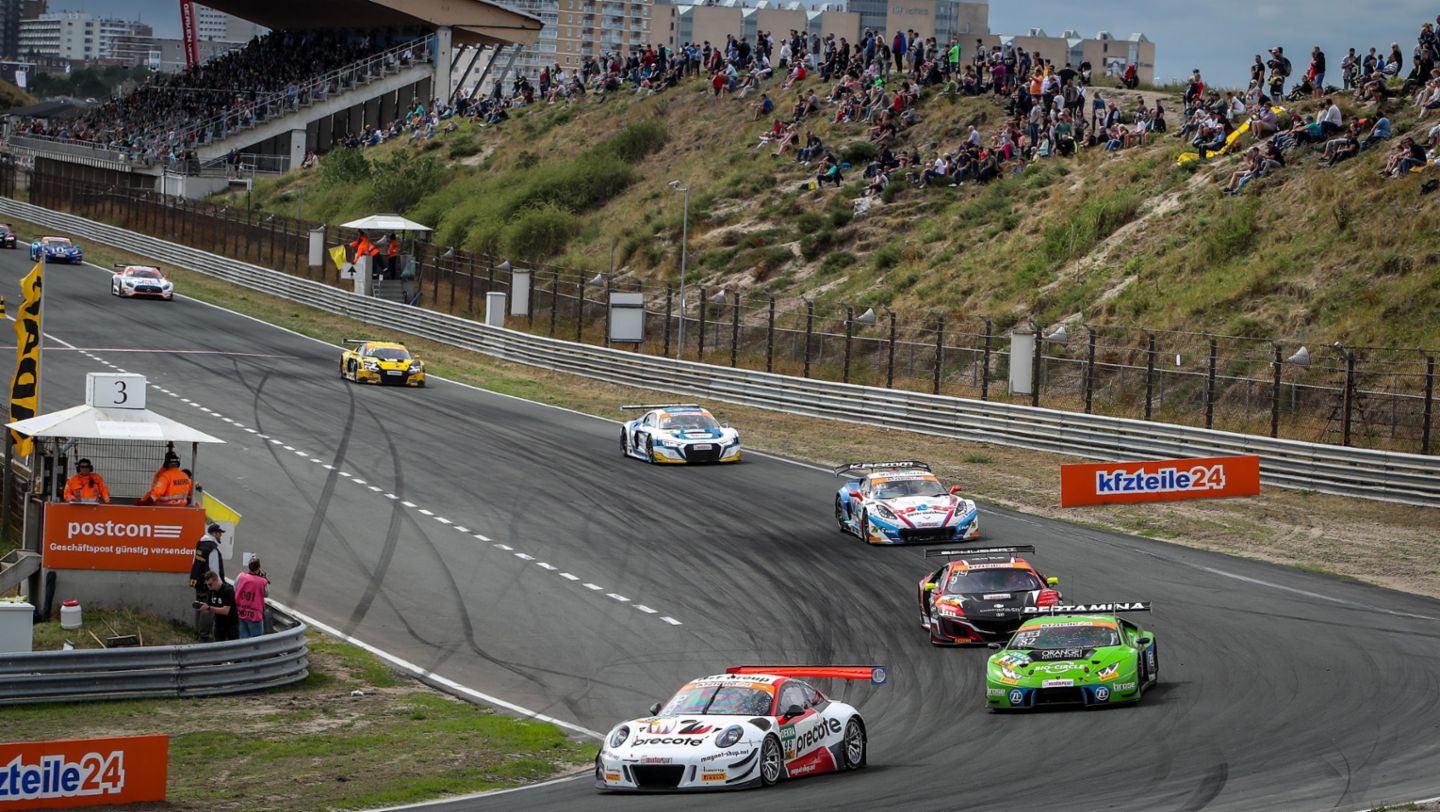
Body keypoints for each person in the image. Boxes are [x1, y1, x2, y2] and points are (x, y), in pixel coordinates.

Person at [196, 570, 238, 642]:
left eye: (210, 584)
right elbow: (209, 607)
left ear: (216, 581)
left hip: (231, 624)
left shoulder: (228, 590)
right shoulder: (211, 591)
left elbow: (225, 611)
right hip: (218, 624)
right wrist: (203, 608)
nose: (208, 586)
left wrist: (209, 608)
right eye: (207, 585)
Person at [234, 556, 269, 639]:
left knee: (243, 638)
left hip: (240, 611)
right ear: (259, 567)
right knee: (256, 640)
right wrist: (263, 577)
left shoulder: (241, 576)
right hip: (255, 615)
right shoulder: (262, 581)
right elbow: (266, 594)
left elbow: (235, 588)